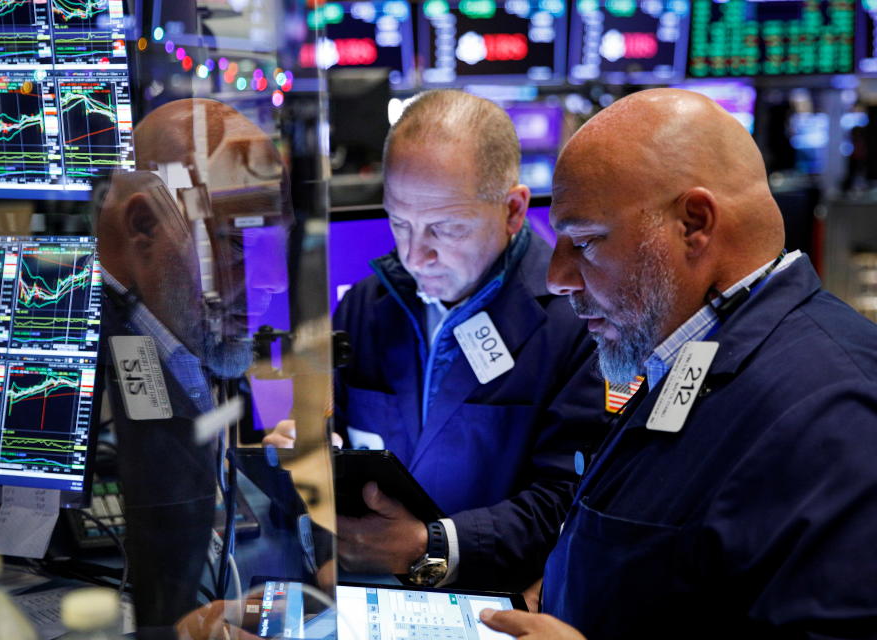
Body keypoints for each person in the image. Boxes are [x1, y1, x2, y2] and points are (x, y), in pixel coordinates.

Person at [481, 88, 877, 639]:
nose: (557, 276)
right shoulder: (692, 348)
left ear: (693, 223)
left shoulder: (836, 416)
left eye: (587, 241)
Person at [267, 89, 608, 591]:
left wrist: (434, 543)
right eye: (399, 223)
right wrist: (302, 452)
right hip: (367, 591)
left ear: (513, 210)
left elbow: (570, 499)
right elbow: (317, 424)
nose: (414, 255)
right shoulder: (365, 303)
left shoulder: (579, 321)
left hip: (495, 602)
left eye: (445, 229)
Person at [96, 98, 292, 638]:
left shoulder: (177, 330)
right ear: (143, 224)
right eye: (234, 242)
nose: (271, 281)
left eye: (274, 242)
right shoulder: (67, 363)